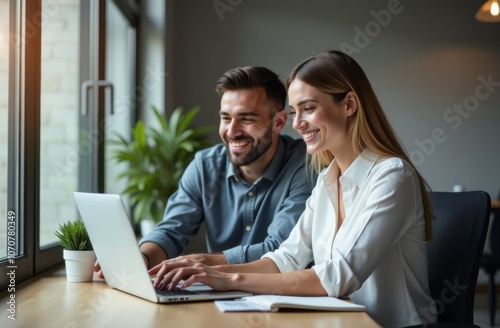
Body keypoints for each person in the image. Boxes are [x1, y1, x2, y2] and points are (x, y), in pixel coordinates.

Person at [147, 51, 437, 327]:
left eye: (308, 109)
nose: (297, 124)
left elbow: (338, 277)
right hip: (337, 322)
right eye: (294, 111)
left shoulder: (392, 177)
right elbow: (285, 258)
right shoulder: (327, 179)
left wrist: (227, 280)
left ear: (349, 105)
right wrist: (208, 274)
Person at [121, 66, 314, 272]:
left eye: (247, 119)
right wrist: (142, 259)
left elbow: (280, 250)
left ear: (279, 122)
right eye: (226, 118)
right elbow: (171, 231)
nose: (232, 131)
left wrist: (204, 262)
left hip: (285, 297)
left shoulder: (306, 166)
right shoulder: (206, 166)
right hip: (218, 294)